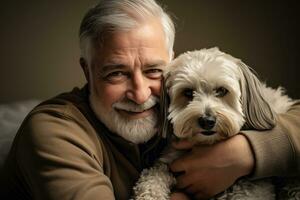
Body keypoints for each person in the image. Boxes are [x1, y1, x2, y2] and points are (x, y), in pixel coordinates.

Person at [1, 0, 299, 199]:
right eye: (116, 73)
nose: (141, 94)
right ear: (87, 71)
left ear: (173, 63)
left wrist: (243, 154)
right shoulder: (53, 130)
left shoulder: (172, 112)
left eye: (154, 70)